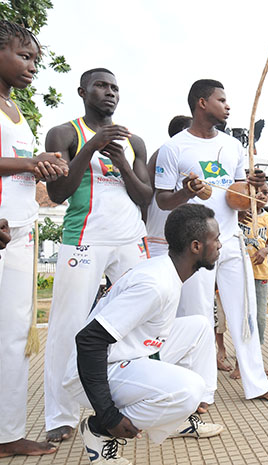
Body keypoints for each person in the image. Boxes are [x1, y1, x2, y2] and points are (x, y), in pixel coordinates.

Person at [155, 79, 268, 404]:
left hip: (230, 240)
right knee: (197, 317)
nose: (228, 106)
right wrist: (188, 191)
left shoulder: (233, 147)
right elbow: (162, 201)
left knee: (245, 313)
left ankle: (256, 383)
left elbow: (238, 196)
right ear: (202, 103)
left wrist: (253, 188)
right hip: (195, 247)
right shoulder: (175, 148)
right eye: (221, 100)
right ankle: (201, 391)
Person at [65, 204, 223, 464]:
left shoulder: (168, 271)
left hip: (129, 356)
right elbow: (89, 340)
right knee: (188, 389)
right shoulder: (155, 284)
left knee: (199, 327)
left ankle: (178, 418)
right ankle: (99, 431)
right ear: (196, 246)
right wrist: (109, 416)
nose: (219, 244)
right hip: (95, 371)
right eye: (215, 239)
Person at [43, 68, 152, 442]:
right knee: (68, 325)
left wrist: (121, 162)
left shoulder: (134, 139)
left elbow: (145, 197)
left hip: (129, 241)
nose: (110, 93)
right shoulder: (64, 133)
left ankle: (128, 402)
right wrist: (91, 146)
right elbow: (58, 193)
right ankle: (61, 415)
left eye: (115, 88)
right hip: (84, 239)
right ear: (83, 91)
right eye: (102, 86)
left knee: (135, 322)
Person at [0, 20, 69, 458]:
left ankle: (7, 433)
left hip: (21, 231)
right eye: (23, 56)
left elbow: (17, 163)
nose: (31, 67)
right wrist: (29, 164)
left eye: (35, 60)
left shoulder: (16, 108)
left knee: (13, 337)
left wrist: (41, 166)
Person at [145, 115, 193, 257]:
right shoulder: (163, 152)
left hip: (181, 233)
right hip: (159, 234)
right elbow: (146, 193)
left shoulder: (191, 155)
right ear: (185, 130)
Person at [239, 181, 268, 346]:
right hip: (239, 273)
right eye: (257, 191)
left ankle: (257, 352)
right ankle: (241, 356)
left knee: (260, 315)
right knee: (242, 315)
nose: (262, 195)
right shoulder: (239, 214)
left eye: (266, 192)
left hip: (260, 273)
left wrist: (264, 252)